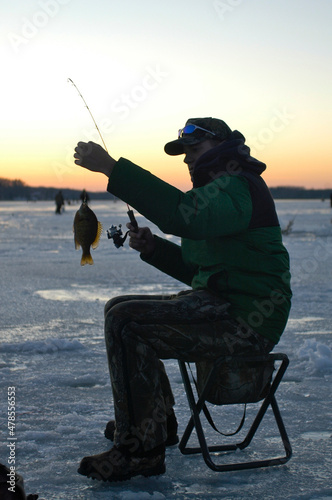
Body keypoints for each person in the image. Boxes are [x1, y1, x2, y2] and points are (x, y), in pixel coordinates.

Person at [73, 117, 292, 482]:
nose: (188, 160)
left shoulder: (238, 188)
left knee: (127, 321)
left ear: (223, 148)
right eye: (184, 154)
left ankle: (141, 451)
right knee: (119, 309)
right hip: (225, 308)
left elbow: (179, 216)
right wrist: (155, 249)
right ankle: (156, 424)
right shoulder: (216, 195)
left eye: (195, 150)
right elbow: (200, 274)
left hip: (246, 322)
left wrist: (111, 168)